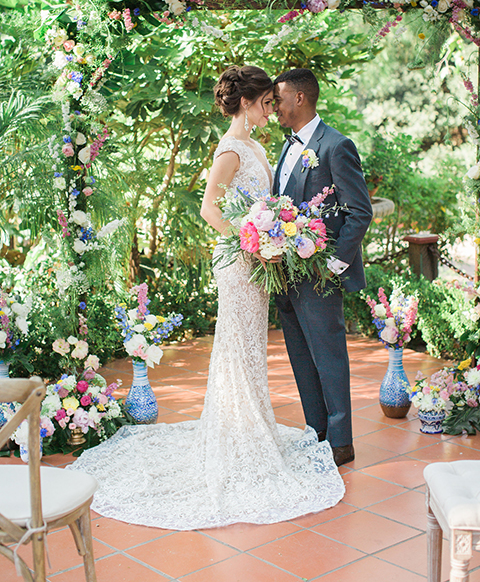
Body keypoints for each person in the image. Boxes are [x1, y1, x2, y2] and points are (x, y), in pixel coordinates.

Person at [70, 65, 344, 530]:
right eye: (264, 102)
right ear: (247, 102)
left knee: (251, 347)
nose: (270, 109)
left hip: (260, 263)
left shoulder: (259, 145)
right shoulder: (230, 149)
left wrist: (272, 232)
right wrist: (250, 237)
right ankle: (236, 437)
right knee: (235, 348)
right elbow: (209, 208)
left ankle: (249, 430)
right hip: (240, 265)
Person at [273, 68, 373, 467]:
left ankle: (341, 441)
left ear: (299, 98)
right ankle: (316, 431)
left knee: (329, 355)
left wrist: (332, 266)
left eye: (278, 99)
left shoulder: (335, 146)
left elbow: (359, 212)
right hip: (285, 272)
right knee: (300, 354)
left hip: (319, 274)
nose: (273, 107)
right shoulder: (287, 145)